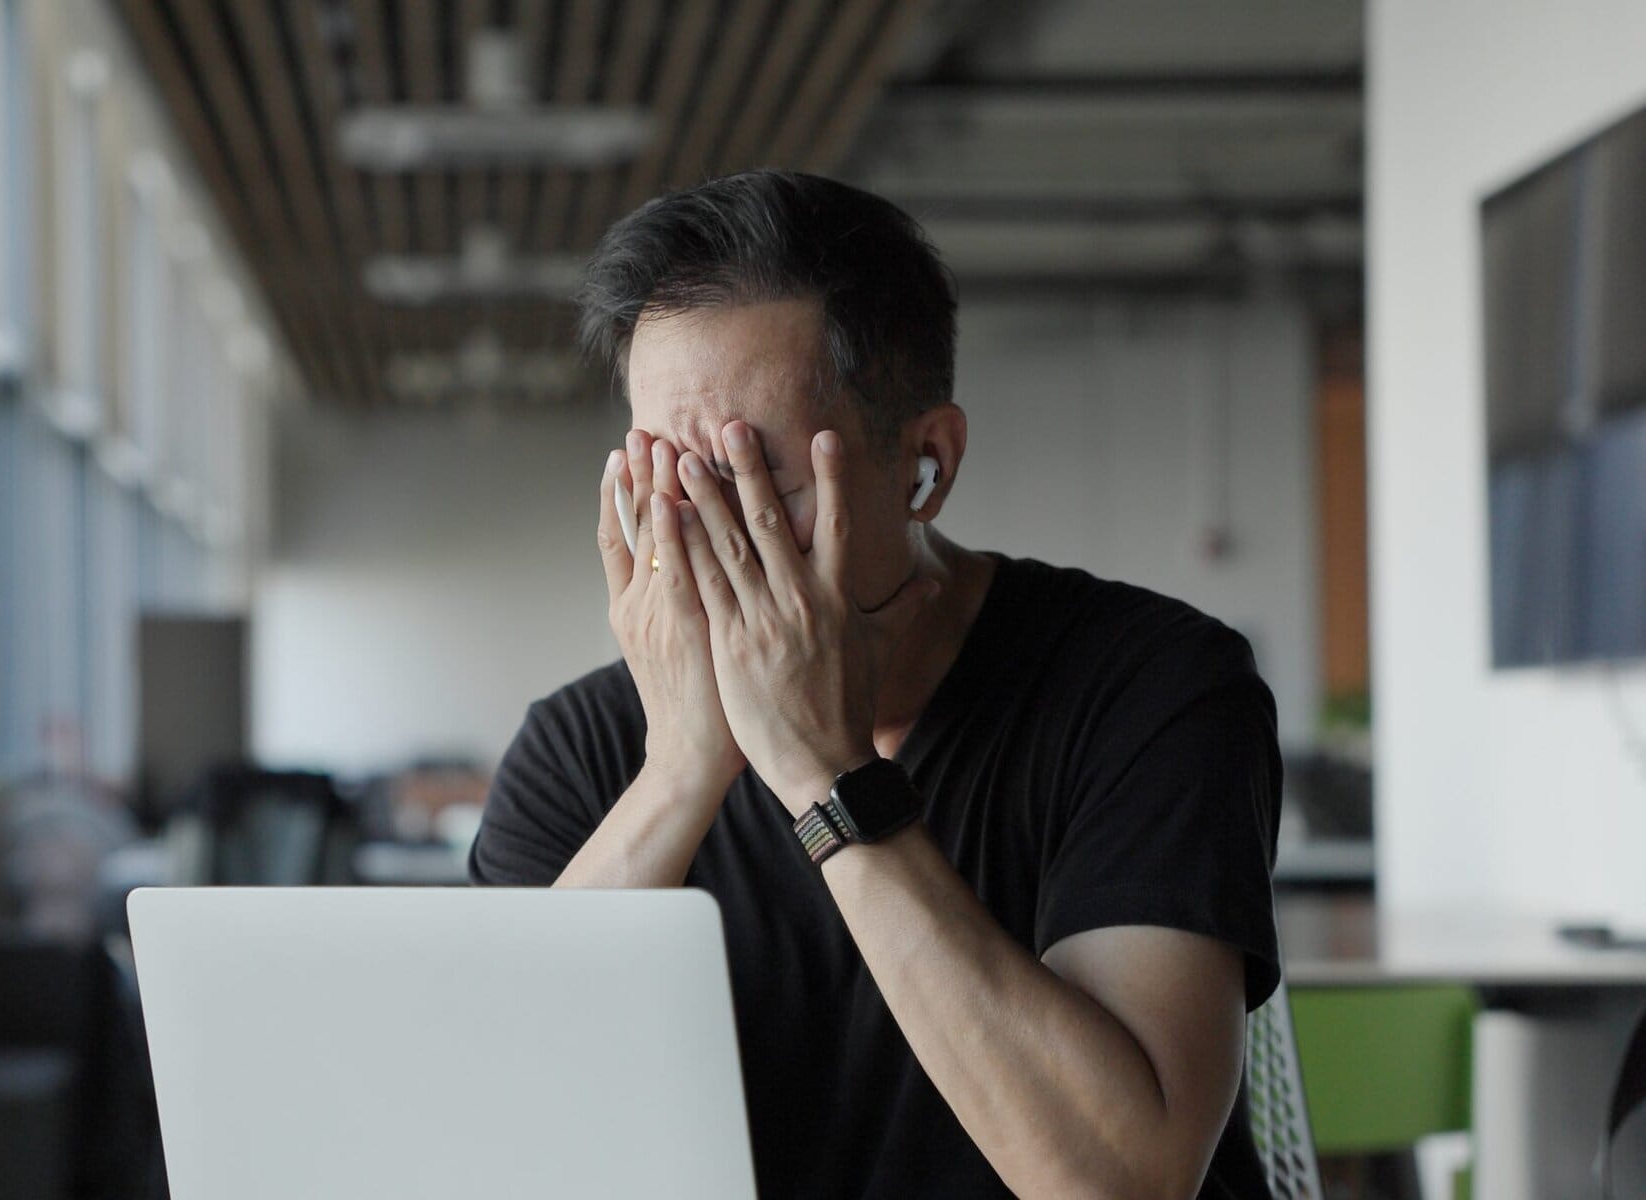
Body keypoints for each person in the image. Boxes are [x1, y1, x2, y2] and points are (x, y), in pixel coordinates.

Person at [470, 169, 1282, 1200]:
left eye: (761, 485)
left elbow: (1119, 1182)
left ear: (924, 465)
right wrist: (677, 773)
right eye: (668, 483)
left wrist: (825, 776)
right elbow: (486, 1125)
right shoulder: (581, 746)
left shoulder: (1153, 687)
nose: (710, 535)